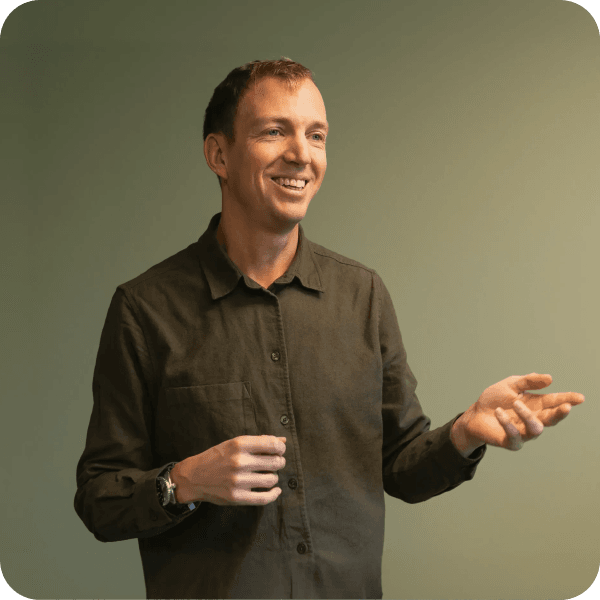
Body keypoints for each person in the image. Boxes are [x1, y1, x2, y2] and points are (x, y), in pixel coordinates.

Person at [74, 57, 585, 600]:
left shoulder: (364, 296)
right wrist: (186, 482)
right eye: (275, 131)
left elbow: (401, 468)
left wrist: (464, 434)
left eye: (316, 135)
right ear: (219, 154)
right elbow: (100, 500)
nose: (302, 154)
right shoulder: (144, 310)